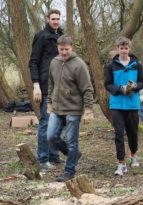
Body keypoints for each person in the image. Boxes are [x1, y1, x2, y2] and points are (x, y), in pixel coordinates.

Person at [47, 35, 94, 182]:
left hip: (73, 109)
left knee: (71, 141)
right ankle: (73, 154)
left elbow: (87, 89)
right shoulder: (54, 62)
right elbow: (51, 84)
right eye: (61, 49)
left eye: (66, 49)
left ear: (71, 47)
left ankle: (69, 170)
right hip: (56, 108)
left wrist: (88, 109)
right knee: (51, 137)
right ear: (58, 48)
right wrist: (49, 101)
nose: (64, 52)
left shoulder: (79, 65)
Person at [104, 36, 143, 176]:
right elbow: (107, 84)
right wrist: (120, 89)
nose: (123, 51)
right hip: (117, 104)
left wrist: (135, 87)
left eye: (126, 48)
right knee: (119, 134)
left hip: (133, 104)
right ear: (117, 49)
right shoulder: (110, 66)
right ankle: (121, 163)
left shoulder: (137, 65)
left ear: (129, 49)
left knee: (132, 133)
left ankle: (134, 154)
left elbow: (142, 83)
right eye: (121, 48)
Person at [29, 9, 64, 170]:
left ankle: (54, 155)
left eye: (58, 18)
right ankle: (43, 159)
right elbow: (33, 61)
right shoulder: (41, 36)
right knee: (45, 122)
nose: (56, 21)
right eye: (53, 19)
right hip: (45, 85)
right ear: (47, 19)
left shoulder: (61, 37)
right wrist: (36, 85)